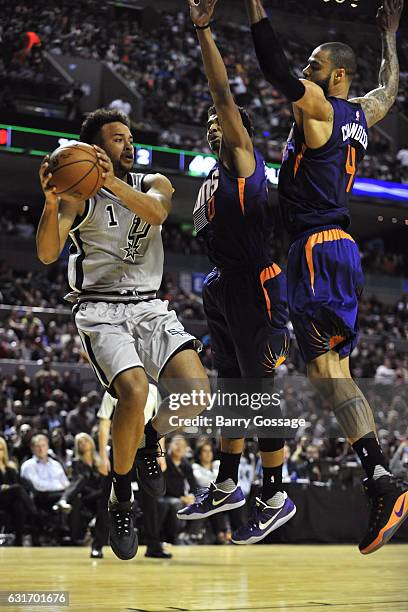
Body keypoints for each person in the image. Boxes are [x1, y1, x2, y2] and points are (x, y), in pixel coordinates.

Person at [245, 0, 407, 554]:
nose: (305, 72)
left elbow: (273, 69)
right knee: (328, 370)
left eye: (314, 65)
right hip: (335, 248)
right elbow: (389, 92)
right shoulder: (361, 112)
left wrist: (253, 7)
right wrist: (390, 39)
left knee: (323, 368)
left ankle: (383, 481)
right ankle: (381, 479)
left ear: (335, 75)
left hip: (315, 247)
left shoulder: (321, 109)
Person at [36, 108, 210, 560]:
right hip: (101, 309)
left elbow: (155, 214)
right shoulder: (79, 197)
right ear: (95, 150)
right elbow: (46, 253)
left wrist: (109, 178)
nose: (128, 144)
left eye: (129, 137)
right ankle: (121, 496)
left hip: (150, 306)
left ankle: (150, 438)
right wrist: (53, 202)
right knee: (133, 390)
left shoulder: (154, 182)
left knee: (196, 395)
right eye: (117, 138)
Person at [178, 0, 295, 545]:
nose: (211, 127)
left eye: (217, 122)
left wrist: (204, 31)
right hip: (222, 286)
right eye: (206, 125)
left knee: (258, 390)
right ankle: (227, 482)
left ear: (237, 129)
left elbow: (222, 93)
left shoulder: (244, 158)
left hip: (256, 283)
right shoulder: (207, 184)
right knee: (232, 392)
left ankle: (275, 491)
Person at [94, 386, 171, 560]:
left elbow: (159, 422)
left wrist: (161, 454)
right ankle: (97, 544)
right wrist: (103, 455)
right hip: (121, 448)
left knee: (151, 501)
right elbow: (105, 423)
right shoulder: (113, 387)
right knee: (108, 496)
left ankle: (153, 546)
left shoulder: (153, 389)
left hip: (146, 449)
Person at [0, 436, 37, 546]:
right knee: (18, 489)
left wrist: (8, 488)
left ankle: (19, 540)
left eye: (1, 449)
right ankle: (35, 514)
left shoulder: (10, 468)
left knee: (18, 504)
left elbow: (16, 483)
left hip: (9, 499)